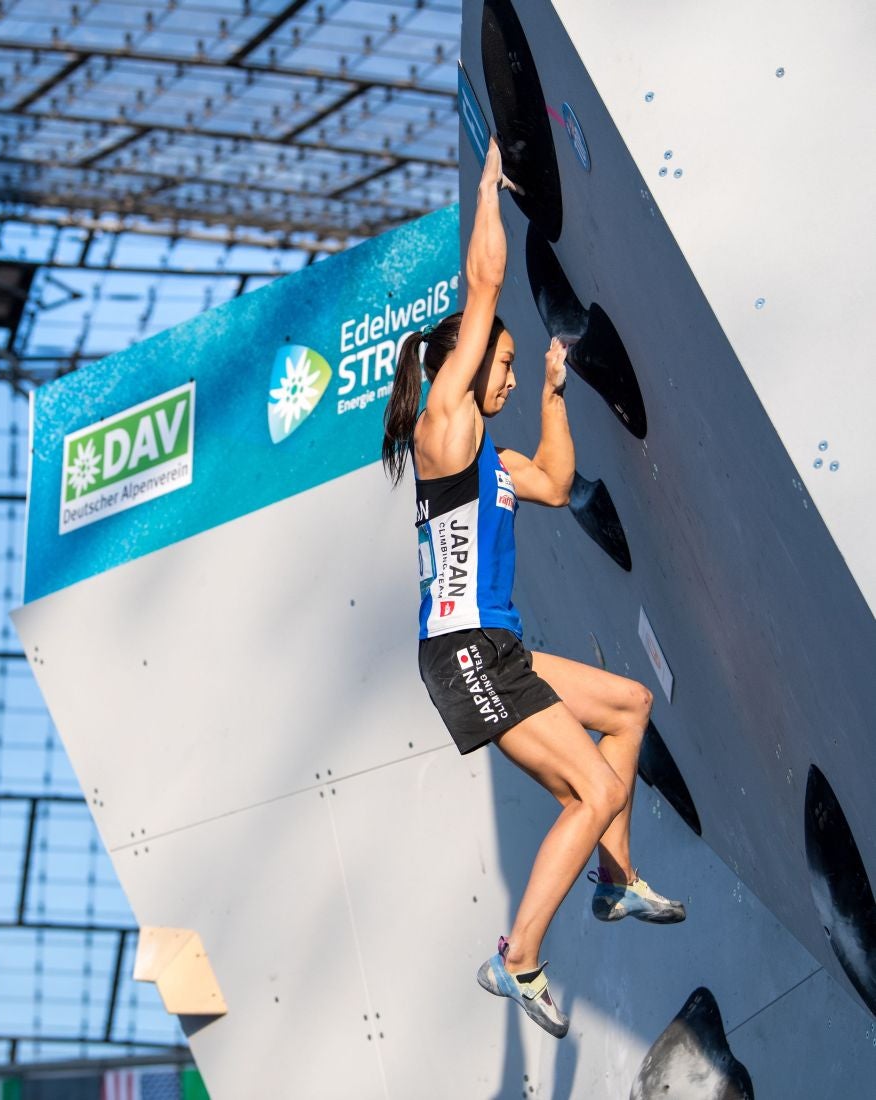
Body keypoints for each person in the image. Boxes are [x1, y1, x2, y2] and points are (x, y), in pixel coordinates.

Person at [381, 138, 684, 1040]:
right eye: (503, 365)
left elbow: (554, 481)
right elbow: (481, 288)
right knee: (590, 791)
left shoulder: (495, 458)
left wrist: (552, 392)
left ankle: (613, 881)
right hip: (467, 651)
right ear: (463, 374)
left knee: (628, 705)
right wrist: (488, 195)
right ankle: (516, 960)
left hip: (498, 645)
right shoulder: (446, 429)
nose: (506, 374)